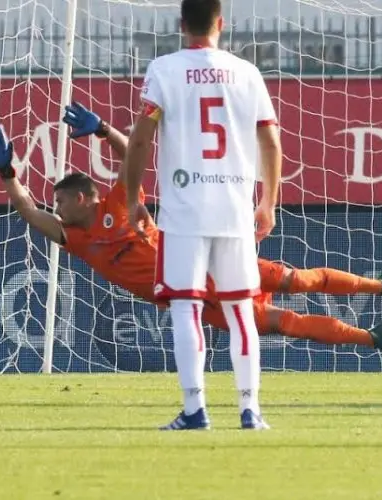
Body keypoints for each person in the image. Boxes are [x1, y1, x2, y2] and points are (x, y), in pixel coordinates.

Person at [0, 104, 382, 356]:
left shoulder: (119, 201)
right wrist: (6, 170)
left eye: (58, 200)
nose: (53, 207)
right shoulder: (73, 238)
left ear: (82, 198)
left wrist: (101, 128)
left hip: (210, 265)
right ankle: (373, 338)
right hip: (187, 294)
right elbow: (26, 209)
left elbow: (127, 151)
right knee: (285, 324)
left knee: (297, 279)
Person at [119, 0, 284, 430]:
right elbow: (270, 141)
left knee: (186, 310)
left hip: (183, 210)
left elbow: (140, 138)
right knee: (241, 311)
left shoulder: (165, 69)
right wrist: (267, 201)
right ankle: (250, 410)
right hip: (234, 209)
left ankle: (195, 409)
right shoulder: (247, 72)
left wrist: (134, 199)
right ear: (221, 24)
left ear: (180, 25)